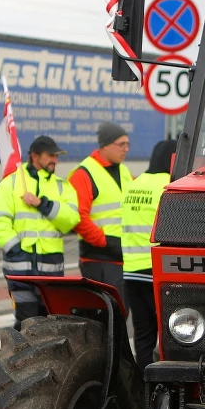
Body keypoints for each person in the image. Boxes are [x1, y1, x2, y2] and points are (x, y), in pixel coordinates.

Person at [0, 135, 80, 328]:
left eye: (56, 156)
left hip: (51, 272)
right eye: (50, 155)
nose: (55, 159)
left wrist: (41, 204)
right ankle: (21, 358)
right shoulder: (10, 184)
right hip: (20, 271)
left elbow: (71, 220)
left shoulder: (63, 186)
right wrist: (16, 250)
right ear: (34, 156)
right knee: (26, 323)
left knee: (49, 325)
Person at [122, 139, 176, 372]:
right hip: (157, 271)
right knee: (169, 334)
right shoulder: (169, 184)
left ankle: (144, 384)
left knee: (143, 334)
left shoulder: (135, 184)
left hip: (131, 271)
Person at [67, 121, 132, 300]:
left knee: (120, 314)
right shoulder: (84, 173)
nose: (126, 149)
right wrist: (104, 241)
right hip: (99, 258)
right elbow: (79, 217)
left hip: (123, 256)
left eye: (128, 144)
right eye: (121, 144)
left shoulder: (124, 171)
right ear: (105, 145)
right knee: (105, 317)